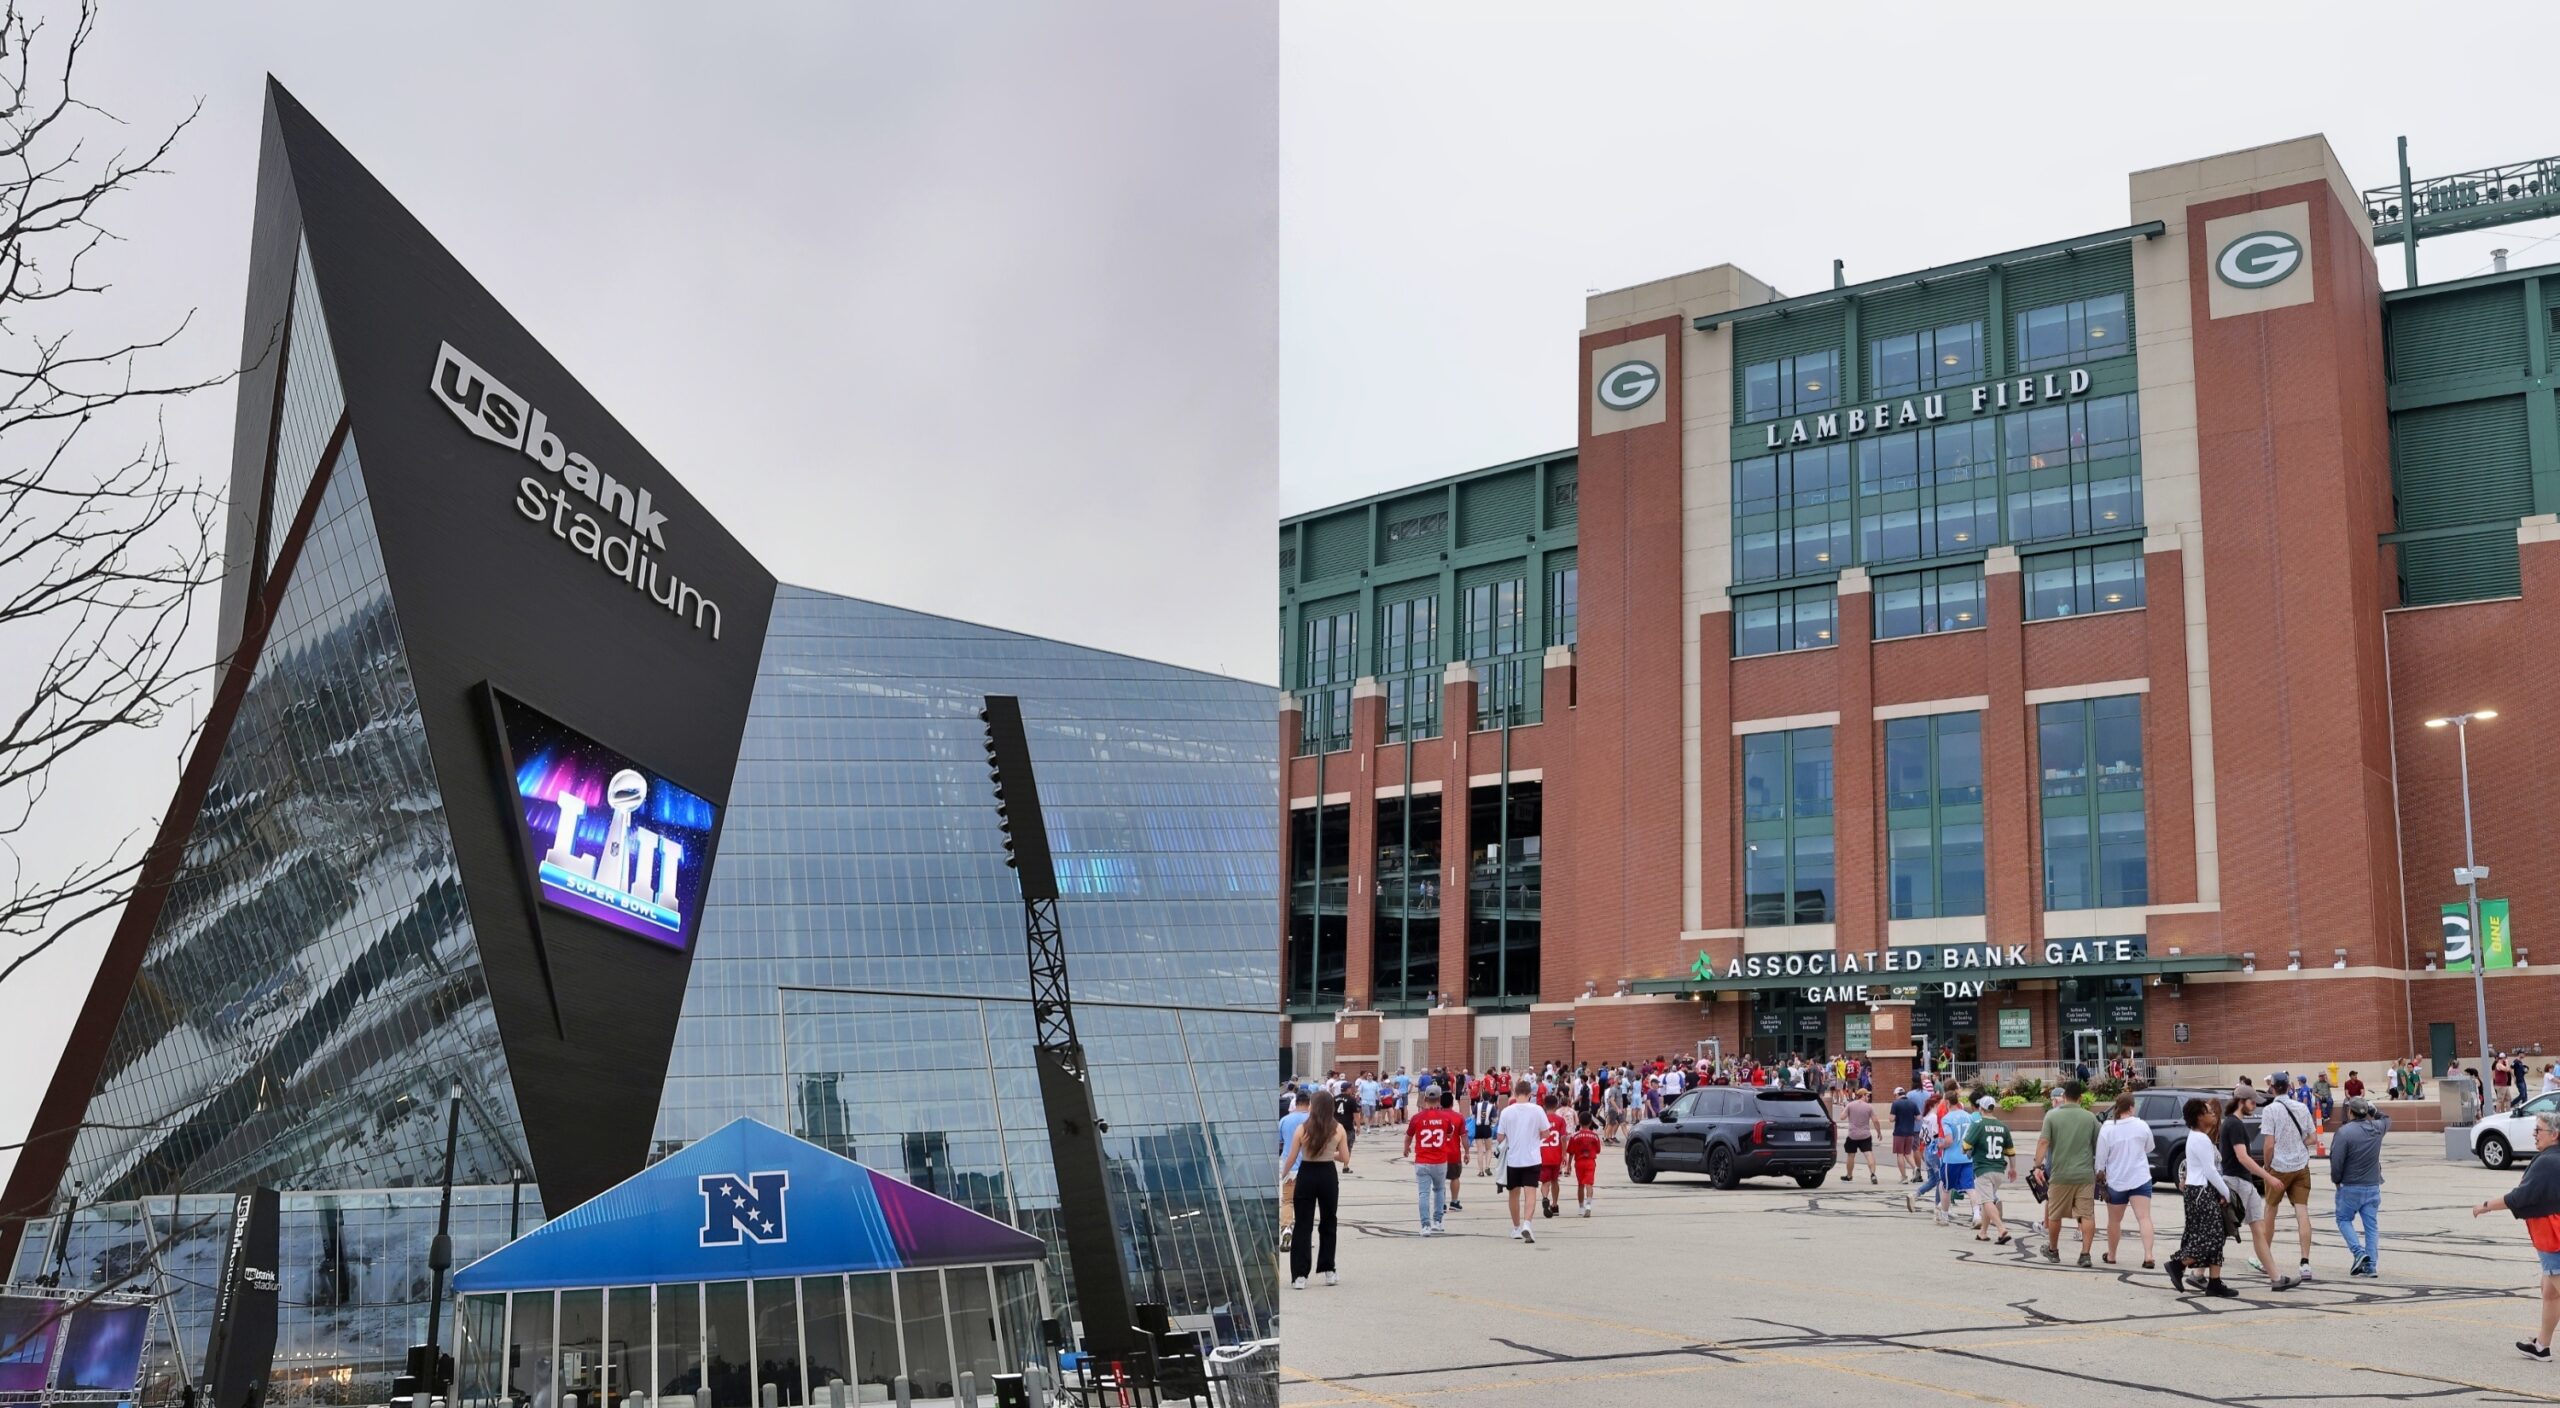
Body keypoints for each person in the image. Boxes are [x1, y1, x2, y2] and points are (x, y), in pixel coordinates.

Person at [2469, 1111, 2560, 1361]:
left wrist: (2486, 1205)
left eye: (2538, 1130)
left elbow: (2520, 1197)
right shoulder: (2552, 1158)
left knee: (2554, 1288)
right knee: (2549, 1291)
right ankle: (2542, 1346)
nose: (2534, 1135)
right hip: (2552, 1235)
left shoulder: (2548, 1162)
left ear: (2555, 1134)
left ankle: (2542, 1345)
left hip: (2553, 1236)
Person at [2165, 1096, 2239, 1298]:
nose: (2213, 1114)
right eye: (2208, 1111)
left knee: (2216, 1235)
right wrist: (2227, 1193)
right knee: (2212, 1236)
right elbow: (2210, 1171)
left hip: (2201, 1191)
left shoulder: (2200, 1137)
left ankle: (2214, 1282)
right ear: (2199, 1116)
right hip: (2200, 1192)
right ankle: (2178, 1264)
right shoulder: (2200, 1139)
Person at [1283, 1091, 1350, 1289]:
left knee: (1303, 1225)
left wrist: (1284, 1175)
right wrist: (1331, 1152)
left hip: (1307, 1173)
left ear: (1313, 1106)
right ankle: (1329, 1270)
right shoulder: (1338, 1129)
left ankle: (1299, 1276)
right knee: (1329, 1222)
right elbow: (1345, 1158)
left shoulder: (1302, 1129)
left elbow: (1292, 1157)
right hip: (1328, 1174)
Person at [2219, 1088, 2282, 1289]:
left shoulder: (2234, 1123)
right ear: (2241, 1101)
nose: (2255, 1106)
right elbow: (2242, 1157)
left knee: (2258, 1227)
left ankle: (2276, 1278)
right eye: (2253, 1103)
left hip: (2244, 1182)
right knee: (2222, 1230)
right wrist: (2267, 1177)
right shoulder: (2233, 1124)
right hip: (2236, 1182)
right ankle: (2197, 1271)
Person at [2259, 1074, 2318, 1287]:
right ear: (2290, 1087)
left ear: (2273, 1088)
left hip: (2279, 1166)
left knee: (2270, 1210)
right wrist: (2297, 1142)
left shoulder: (2270, 1110)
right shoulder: (2301, 1108)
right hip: (2301, 1165)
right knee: (2302, 1212)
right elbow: (2313, 1138)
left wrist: (2267, 1165)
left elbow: (2268, 1144)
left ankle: (2264, 1258)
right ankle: (2305, 1262)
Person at [2037, 1080, 2101, 1267]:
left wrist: (2037, 1166)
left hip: (2060, 1174)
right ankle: (2085, 1254)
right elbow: (2098, 1146)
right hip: (2084, 1175)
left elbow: (2043, 1142)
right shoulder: (2090, 1118)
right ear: (2081, 1097)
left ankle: (2053, 1250)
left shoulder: (2052, 1117)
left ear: (2064, 1097)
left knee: (2055, 1214)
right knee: (2087, 1215)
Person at [2328, 1094, 2391, 1277]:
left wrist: (2336, 1180)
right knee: (2371, 1226)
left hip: (2350, 1185)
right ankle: (2371, 1265)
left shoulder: (2344, 1132)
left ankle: (2358, 1252)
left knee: (2343, 1219)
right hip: (2372, 1185)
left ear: (2350, 1112)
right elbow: (2387, 1119)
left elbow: (2337, 1160)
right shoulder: (2377, 1128)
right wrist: (2374, 1110)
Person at [2095, 1092, 2158, 1269]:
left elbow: (2100, 1158)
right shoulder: (2141, 1125)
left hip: (2116, 1180)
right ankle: (2148, 1255)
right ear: (2131, 1107)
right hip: (2140, 1177)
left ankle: (2112, 1255)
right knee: (2144, 1217)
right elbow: (2149, 1147)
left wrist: (2100, 1175)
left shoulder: (2107, 1128)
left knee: (2114, 1220)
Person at [1494, 1078, 1549, 1243]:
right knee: (1530, 1192)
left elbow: (1500, 1137)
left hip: (1513, 1159)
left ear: (1515, 1093)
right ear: (1530, 1094)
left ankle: (1516, 1227)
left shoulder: (1507, 1112)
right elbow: (1546, 1132)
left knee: (1514, 1194)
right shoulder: (1537, 1110)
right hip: (1532, 1157)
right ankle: (1527, 1223)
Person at [1405, 1088, 1466, 1235]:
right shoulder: (1445, 1118)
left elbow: (1409, 1135)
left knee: (1423, 1193)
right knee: (1439, 1190)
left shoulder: (1417, 1118)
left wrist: (1406, 1148)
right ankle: (1438, 1221)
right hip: (1439, 1160)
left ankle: (1425, 1225)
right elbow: (1450, 1133)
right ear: (1439, 1100)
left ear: (1425, 1099)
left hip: (1422, 1160)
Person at [1963, 1094, 2013, 1245]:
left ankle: (2001, 1229)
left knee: (1986, 1201)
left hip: (1983, 1168)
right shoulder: (2003, 1126)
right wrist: (2014, 1168)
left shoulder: (1978, 1124)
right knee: (1987, 1200)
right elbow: (2010, 1151)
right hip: (1999, 1169)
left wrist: (1966, 1149)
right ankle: (1983, 1232)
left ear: (1980, 1108)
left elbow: (1966, 1146)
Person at [1939, 1093, 1978, 1232]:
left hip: (1952, 1158)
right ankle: (1977, 1215)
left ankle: (1944, 1216)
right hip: (1967, 1157)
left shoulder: (1947, 1119)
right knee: (1970, 1187)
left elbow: (1948, 1140)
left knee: (1946, 1187)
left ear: (1948, 1102)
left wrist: (1939, 1144)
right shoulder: (1968, 1116)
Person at [1278, 1090, 1311, 1253]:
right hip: (1310, 1168)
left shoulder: (1284, 1120)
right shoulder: (1313, 1120)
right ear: (1309, 1103)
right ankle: (1303, 1236)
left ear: (1295, 1103)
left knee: (1287, 1201)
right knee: (1306, 1204)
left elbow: (1280, 1142)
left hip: (1289, 1168)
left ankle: (1286, 1228)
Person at [1537, 1092, 1568, 1219]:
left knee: (1545, 1181)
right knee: (1555, 1180)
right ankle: (1554, 1205)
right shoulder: (1560, 1120)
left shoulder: (1540, 1120)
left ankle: (1545, 1198)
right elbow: (1564, 1138)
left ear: (1544, 1106)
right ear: (1556, 1106)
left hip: (1542, 1154)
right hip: (1556, 1155)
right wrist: (1564, 1154)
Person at [1841, 1087, 1878, 1185]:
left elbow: (1842, 1117)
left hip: (1852, 1135)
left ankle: (1849, 1176)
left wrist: (1844, 1109)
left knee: (1851, 1155)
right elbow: (1875, 1121)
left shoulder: (1850, 1105)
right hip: (1865, 1135)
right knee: (1868, 1153)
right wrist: (1879, 1132)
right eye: (1867, 1096)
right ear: (1863, 1095)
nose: (1869, 1098)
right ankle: (1873, 1174)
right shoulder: (1869, 1107)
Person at [1568, 1119, 1601, 1216]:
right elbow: (1598, 1150)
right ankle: (1589, 1205)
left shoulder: (1575, 1135)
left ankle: (1581, 1207)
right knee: (1589, 1184)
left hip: (1579, 1162)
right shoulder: (1595, 1136)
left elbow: (1571, 1152)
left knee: (1580, 1185)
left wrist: (1569, 1165)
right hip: (1590, 1161)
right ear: (1590, 1123)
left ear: (1580, 1123)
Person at [1889, 1086, 1922, 1184]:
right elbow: (1919, 1117)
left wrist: (1897, 1117)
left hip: (1899, 1132)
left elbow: (1891, 1119)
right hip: (1910, 1132)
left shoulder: (1896, 1104)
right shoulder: (1912, 1103)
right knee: (1908, 1153)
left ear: (1896, 1094)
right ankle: (1915, 1168)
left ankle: (1904, 1177)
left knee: (1900, 1154)